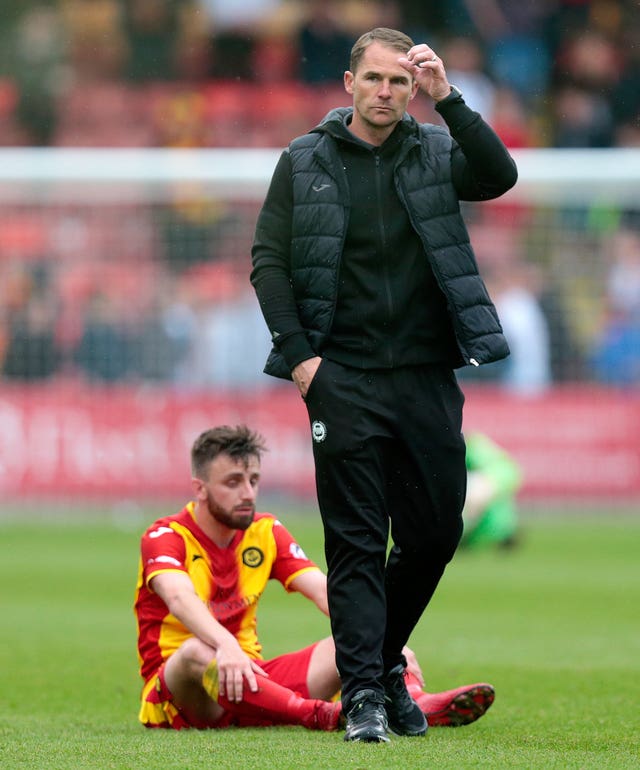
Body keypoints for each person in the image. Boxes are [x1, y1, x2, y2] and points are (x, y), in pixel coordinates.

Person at [250, 27, 517, 742]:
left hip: (428, 374)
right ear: (348, 83)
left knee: (434, 533)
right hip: (343, 377)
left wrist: (450, 98)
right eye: (375, 79)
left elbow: (498, 176)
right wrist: (303, 361)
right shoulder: (304, 160)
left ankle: (383, 669)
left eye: (400, 82)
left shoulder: (434, 149)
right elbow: (268, 262)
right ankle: (365, 693)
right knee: (357, 541)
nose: (387, 92)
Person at [134, 425, 496, 734]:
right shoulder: (165, 536)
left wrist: (387, 642)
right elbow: (180, 599)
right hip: (185, 694)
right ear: (200, 488)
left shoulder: (266, 531)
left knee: (357, 643)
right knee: (197, 652)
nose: (248, 493)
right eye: (233, 482)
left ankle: (418, 702)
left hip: (253, 678)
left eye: (253, 480)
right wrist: (226, 645)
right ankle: (318, 714)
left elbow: (329, 594)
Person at [461, 432, 522, 549]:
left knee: (471, 504)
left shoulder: (471, 445)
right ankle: (505, 533)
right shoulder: (478, 442)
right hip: (508, 473)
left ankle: (461, 536)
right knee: (497, 506)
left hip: (492, 475)